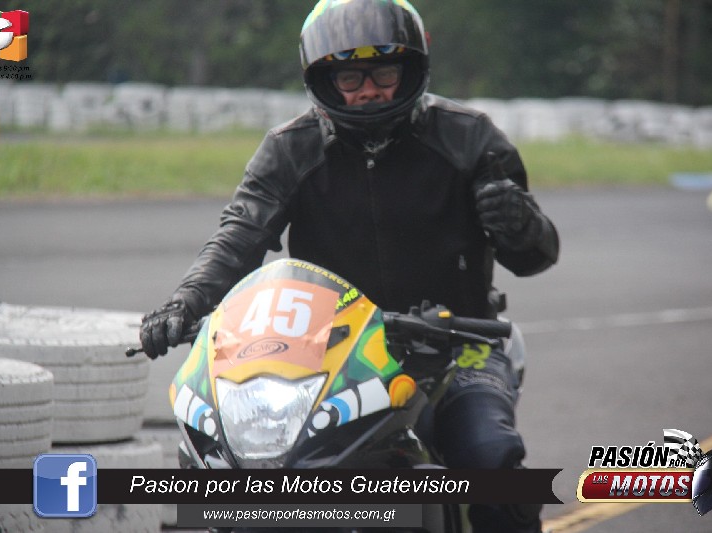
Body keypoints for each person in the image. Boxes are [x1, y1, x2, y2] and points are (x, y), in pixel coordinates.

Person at [140, 1, 559, 531]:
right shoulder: (289, 148)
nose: (369, 90)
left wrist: (518, 223)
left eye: (384, 72)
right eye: (349, 76)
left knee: (489, 458)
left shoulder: (470, 137)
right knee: (239, 459)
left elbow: (535, 257)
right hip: (333, 352)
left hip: (458, 344)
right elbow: (238, 235)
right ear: (324, 80)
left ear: (410, 69)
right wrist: (186, 301)